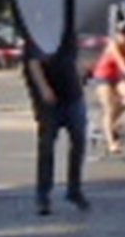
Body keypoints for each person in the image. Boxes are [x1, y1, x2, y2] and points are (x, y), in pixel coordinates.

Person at [22, 36, 90, 216]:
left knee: (79, 140)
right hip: (50, 101)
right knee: (47, 146)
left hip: (73, 95)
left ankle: (74, 190)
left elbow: (75, 57)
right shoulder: (39, 33)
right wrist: (44, 88)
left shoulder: (67, 33)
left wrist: (81, 73)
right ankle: (43, 194)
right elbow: (33, 63)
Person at [91, 21, 125, 154]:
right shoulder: (113, 45)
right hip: (103, 77)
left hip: (117, 78)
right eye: (123, 34)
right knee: (109, 107)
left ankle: (112, 122)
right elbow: (121, 63)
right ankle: (111, 143)